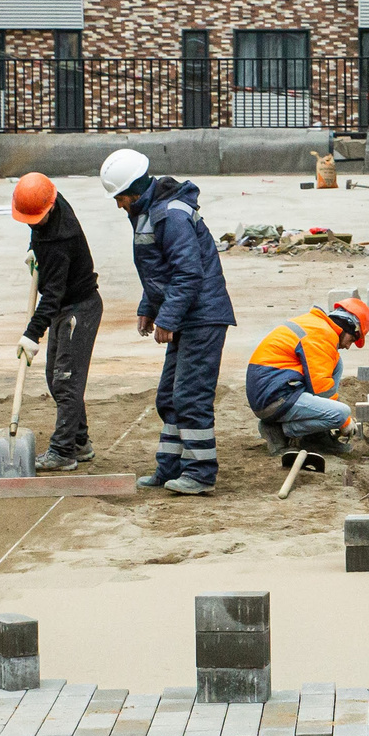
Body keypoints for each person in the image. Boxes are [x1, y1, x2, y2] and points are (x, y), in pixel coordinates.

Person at [103, 147, 236, 495]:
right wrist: (149, 307)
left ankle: (200, 472)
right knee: (169, 396)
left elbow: (188, 274)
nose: (119, 206)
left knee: (190, 395)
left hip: (202, 317)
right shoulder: (147, 212)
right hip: (187, 315)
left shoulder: (171, 215)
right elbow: (157, 270)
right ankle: (170, 467)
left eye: (120, 198)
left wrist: (168, 318)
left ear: (134, 192)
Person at [10, 172, 102, 473]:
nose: (32, 223)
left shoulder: (61, 240)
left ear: (50, 209)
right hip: (65, 305)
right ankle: (79, 440)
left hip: (79, 308)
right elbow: (37, 229)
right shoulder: (51, 200)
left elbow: (51, 296)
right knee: (57, 376)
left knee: (66, 381)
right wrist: (32, 248)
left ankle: (63, 451)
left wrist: (31, 335)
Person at [245, 297, 369, 452]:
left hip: (272, 388)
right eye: (351, 339)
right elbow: (321, 390)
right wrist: (343, 422)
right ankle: (280, 430)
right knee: (340, 413)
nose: (347, 346)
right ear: (347, 326)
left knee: (336, 363)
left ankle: (317, 436)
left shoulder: (317, 325)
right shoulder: (322, 335)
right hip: (274, 397)